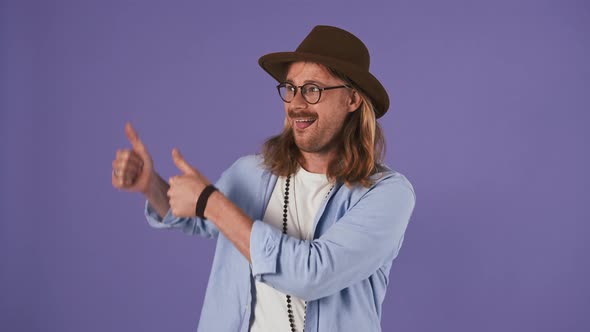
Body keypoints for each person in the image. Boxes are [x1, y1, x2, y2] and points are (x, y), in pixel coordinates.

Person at [112, 25, 416, 332]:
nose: (296, 103)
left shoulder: (386, 194)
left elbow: (313, 274)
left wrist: (211, 201)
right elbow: (197, 216)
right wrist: (150, 185)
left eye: (313, 89)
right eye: (290, 88)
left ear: (352, 100)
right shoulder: (251, 172)